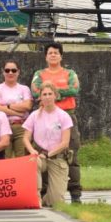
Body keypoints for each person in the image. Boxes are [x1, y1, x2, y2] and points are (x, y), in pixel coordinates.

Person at [31, 42, 83, 203]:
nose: (53, 55)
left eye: (56, 52)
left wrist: (52, 92)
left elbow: (74, 89)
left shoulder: (70, 73)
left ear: (61, 56)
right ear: (46, 56)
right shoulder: (39, 74)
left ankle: (75, 193)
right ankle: (44, 192)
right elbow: (35, 91)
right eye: (50, 53)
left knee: (71, 154)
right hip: (44, 117)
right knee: (43, 153)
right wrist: (60, 91)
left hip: (67, 115)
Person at [23, 83, 73, 208]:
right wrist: (31, 150)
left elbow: (65, 143)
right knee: (33, 162)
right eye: (44, 94)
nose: (47, 97)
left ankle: (47, 199)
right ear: (40, 97)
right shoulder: (34, 115)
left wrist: (48, 154)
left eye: (50, 94)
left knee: (56, 202)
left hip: (57, 157)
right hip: (39, 155)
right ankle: (36, 198)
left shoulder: (64, 116)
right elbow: (25, 138)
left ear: (55, 96)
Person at [0, 60, 33, 158]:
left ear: (18, 72)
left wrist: (8, 106)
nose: (10, 73)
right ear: (3, 72)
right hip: (3, 126)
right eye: (7, 70)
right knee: (5, 158)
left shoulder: (24, 89)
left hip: (21, 126)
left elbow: (27, 106)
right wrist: (19, 112)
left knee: (22, 157)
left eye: (13, 70)